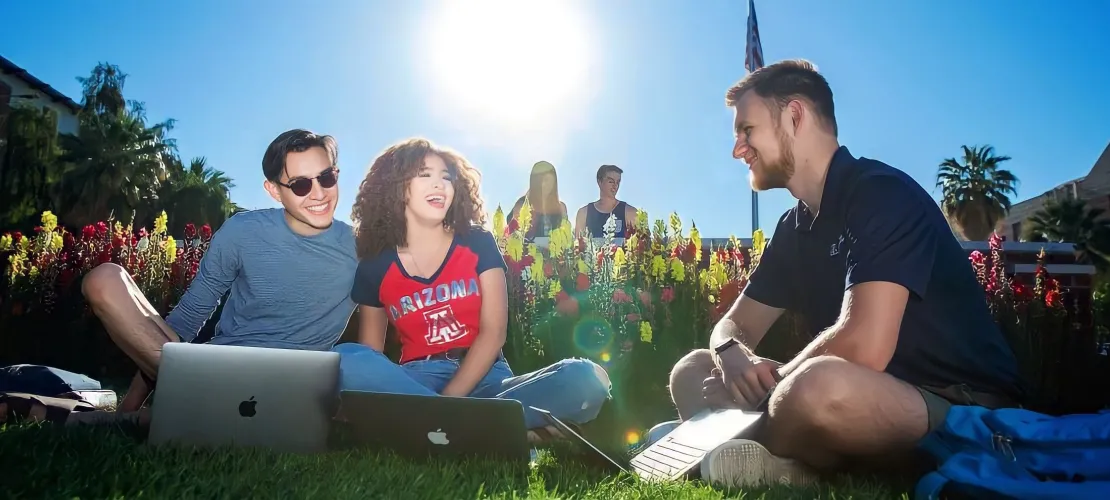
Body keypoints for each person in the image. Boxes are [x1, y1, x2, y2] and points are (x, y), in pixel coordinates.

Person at [664, 60, 1024, 488]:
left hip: (957, 403)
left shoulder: (880, 193)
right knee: (692, 369)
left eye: (747, 131)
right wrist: (730, 355)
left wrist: (765, 389)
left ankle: (722, 447)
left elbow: (863, 345)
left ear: (795, 116)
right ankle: (768, 460)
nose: (738, 149)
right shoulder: (792, 227)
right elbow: (735, 324)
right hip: (859, 392)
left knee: (817, 388)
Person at [334, 138, 611, 443]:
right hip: (416, 380)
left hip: (487, 378)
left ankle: (435, 429)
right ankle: (501, 429)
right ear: (395, 186)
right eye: (425, 175)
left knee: (586, 378)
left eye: (446, 177)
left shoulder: (477, 242)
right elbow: (371, 352)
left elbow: (494, 332)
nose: (439, 184)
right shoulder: (376, 264)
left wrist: (449, 403)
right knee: (347, 359)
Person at [80, 128, 358, 414]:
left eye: (327, 178)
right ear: (274, 190)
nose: (319, 194)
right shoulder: (243, 231)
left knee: (202, 418)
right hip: (218, 369)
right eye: (301, 185)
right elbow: (188, 317)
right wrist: (131, 404)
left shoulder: (361, 248)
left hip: (292, 384)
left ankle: (165, 416)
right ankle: (158, 412)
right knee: (105, 279)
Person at [508, 161, 568, 239]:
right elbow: (513, 236)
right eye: (541, 180)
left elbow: (565, 239)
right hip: (527, 250)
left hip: (554, 250)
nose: (545, 184)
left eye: (549, 180)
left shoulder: (561, 208)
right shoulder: (522, 205)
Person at [574, 164, 638, 239]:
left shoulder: (630, 213)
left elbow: (641, 246)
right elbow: (577, 247)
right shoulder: (583, 213)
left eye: (618, 182)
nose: (615, 186)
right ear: (599, 182)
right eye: (611, 181)